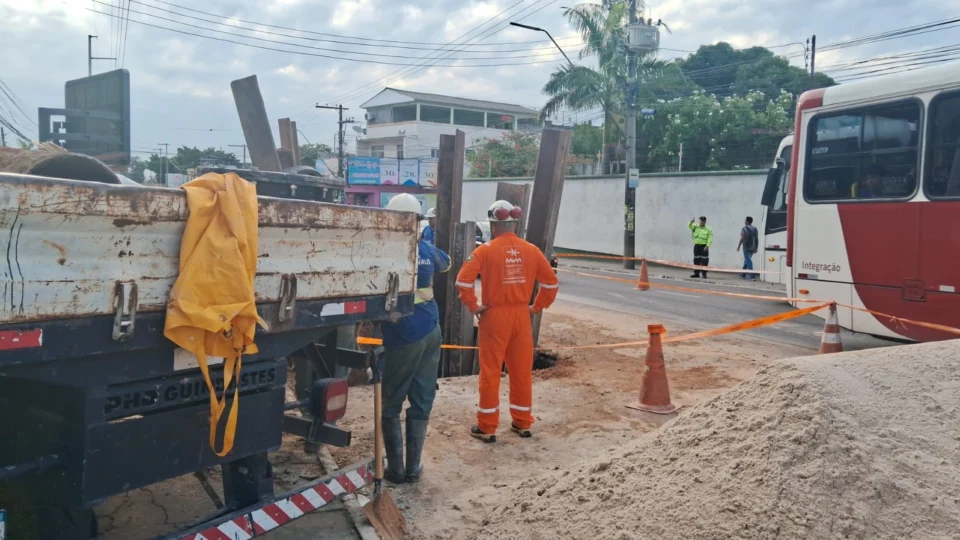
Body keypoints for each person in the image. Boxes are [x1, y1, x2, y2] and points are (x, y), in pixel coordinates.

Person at [455, 200, 559, 443]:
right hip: (522, 317)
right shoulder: (531, 250)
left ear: (493, 223)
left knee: (491, 372)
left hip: (495, 316)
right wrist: (536, 306)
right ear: (514, 223)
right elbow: (551, 283)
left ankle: (487, 427)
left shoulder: (484, 251)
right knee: (522, 372)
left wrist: (474, 306)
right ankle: (523, 423)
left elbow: (462, 281)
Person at [380, 194, 450, 483]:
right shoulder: (427, 248)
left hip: (404, 335)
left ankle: (396, 470)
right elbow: (445, 264)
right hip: (432, 330)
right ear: (419, 221)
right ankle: (413, 468)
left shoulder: (385, 253)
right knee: (422, 397)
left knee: (391, 401)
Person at [737, 216, 759, 281]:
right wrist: (756, 247)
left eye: (745, 220)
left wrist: (738, 246)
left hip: (746, 247)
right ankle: (743, 274)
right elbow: (757, 239)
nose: (744, 221)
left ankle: (752, 276)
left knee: (748, 261)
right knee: (747, 260)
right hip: (753, 247)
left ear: (747, 221)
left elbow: (742, 238)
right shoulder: (755, 228)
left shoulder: (744, 228)